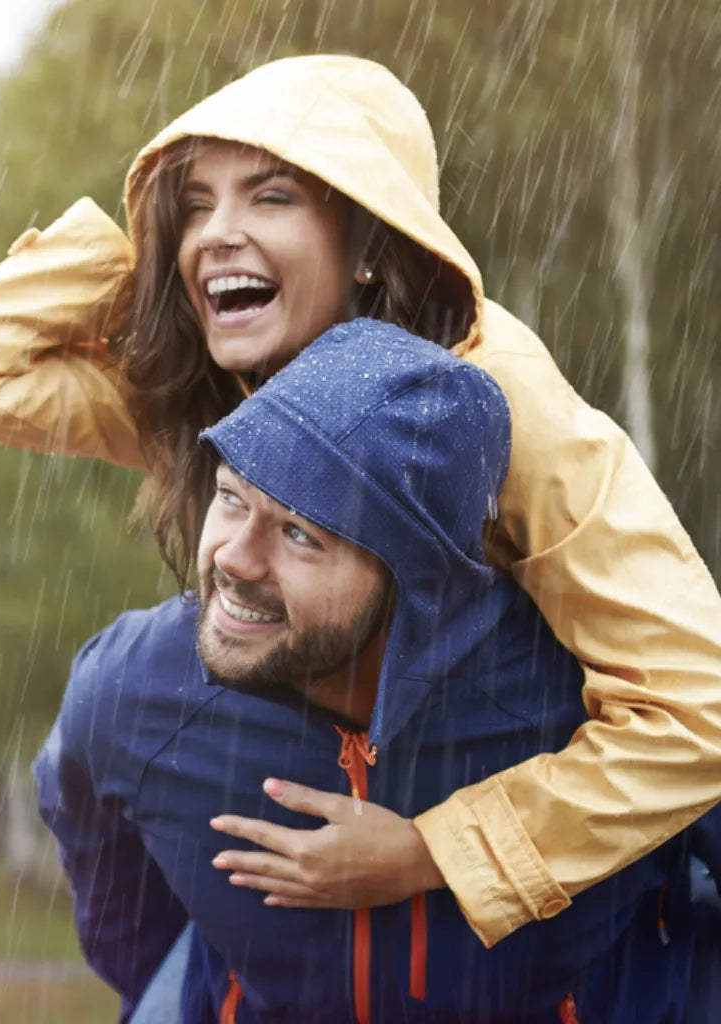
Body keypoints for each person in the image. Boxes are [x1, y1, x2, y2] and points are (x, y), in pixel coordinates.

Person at [0, 54, 721, 946]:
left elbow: (700, 710)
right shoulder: (206, 385)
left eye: (270, 197)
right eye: (196, 202)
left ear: (371, 243)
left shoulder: (502, 406)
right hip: (281, 856)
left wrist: (434, 853)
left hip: (524, 900)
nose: (217, 234)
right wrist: (147, 261)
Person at [37, 318, 714, 1023]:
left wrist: (437, 857)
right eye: (231, 496)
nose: (234, 557)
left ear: (413, 582)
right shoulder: (136, 686)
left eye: (301, 533)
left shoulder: (596, 703)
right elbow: (110, 886)